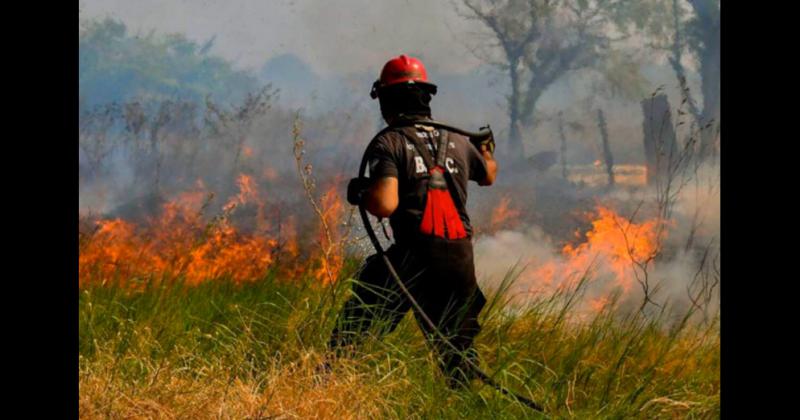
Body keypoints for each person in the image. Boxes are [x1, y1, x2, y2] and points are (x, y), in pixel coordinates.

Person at [327, 54, 498, 388]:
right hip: (460, 262)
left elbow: (385, 203)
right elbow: (488, 175)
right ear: (426, 97)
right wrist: (487, 150)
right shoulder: (458, 140)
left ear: (387, 100)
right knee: (457, 355)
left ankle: (324, 390)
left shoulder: (389, 142)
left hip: (412, 260)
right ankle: (463, 403)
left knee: (352, 336)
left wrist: (362, 192)